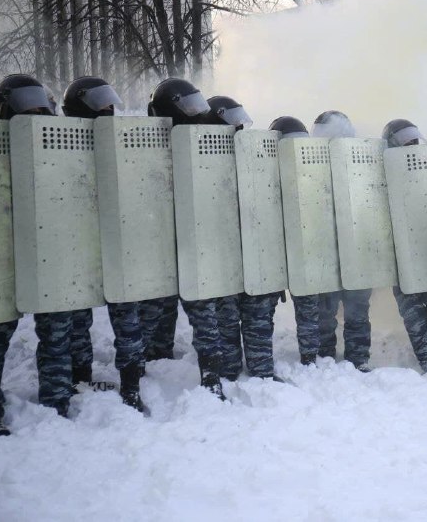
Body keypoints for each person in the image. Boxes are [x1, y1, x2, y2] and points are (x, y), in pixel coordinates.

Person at [0, 74, 79, 418]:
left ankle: (56, 402)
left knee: (57, 328)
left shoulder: (55, 141)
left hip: (47, 247)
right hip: (0, 254)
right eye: (28, 102)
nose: (37, 109)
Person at [62, 75, 149, 412]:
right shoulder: (55, 140)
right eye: (100, 103)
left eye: (110, 101)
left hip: (117, 244)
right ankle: (78, 380)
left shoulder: (121, 139)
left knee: (128, 320)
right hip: (75, 245)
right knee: (76, 321)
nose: (109, 109)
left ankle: (131, 385)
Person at [145, 77, 226, 400]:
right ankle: (150, 369)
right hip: (157, 248)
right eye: (187, 107)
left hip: (196, 247)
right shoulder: (142, 143)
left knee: (203, 314)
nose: (195, 115)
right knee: (154, 317)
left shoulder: (205, 141)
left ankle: (211, 374)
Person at [202, 95, 283, 382]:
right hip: (222, 255)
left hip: (256, 250)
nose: (238, 126)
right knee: (226, 318)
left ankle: (262, 370)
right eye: (231, 119)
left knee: (258, 316)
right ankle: (230, 370)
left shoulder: (256, 150)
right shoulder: (198, 156)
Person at [382, 118, 427, 373]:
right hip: (402, 258)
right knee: (414, 315)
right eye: (405, 141)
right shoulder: (381, 174)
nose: (412, 145)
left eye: (413, 140)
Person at [312, 110, 373, 372]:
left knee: (357, 308)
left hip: (357, 247)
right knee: (325, 310)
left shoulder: (362, 159)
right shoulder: (311, 161)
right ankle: (325, 358)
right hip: (325, 247)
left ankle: (358, 359)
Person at [268, 115, 322, 366]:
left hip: (303, 249)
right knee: (261, 313)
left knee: (309, 308)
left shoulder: (312, 170)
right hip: (272, 252)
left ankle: (310, 356)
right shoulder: (262, 172)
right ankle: (261, 361)